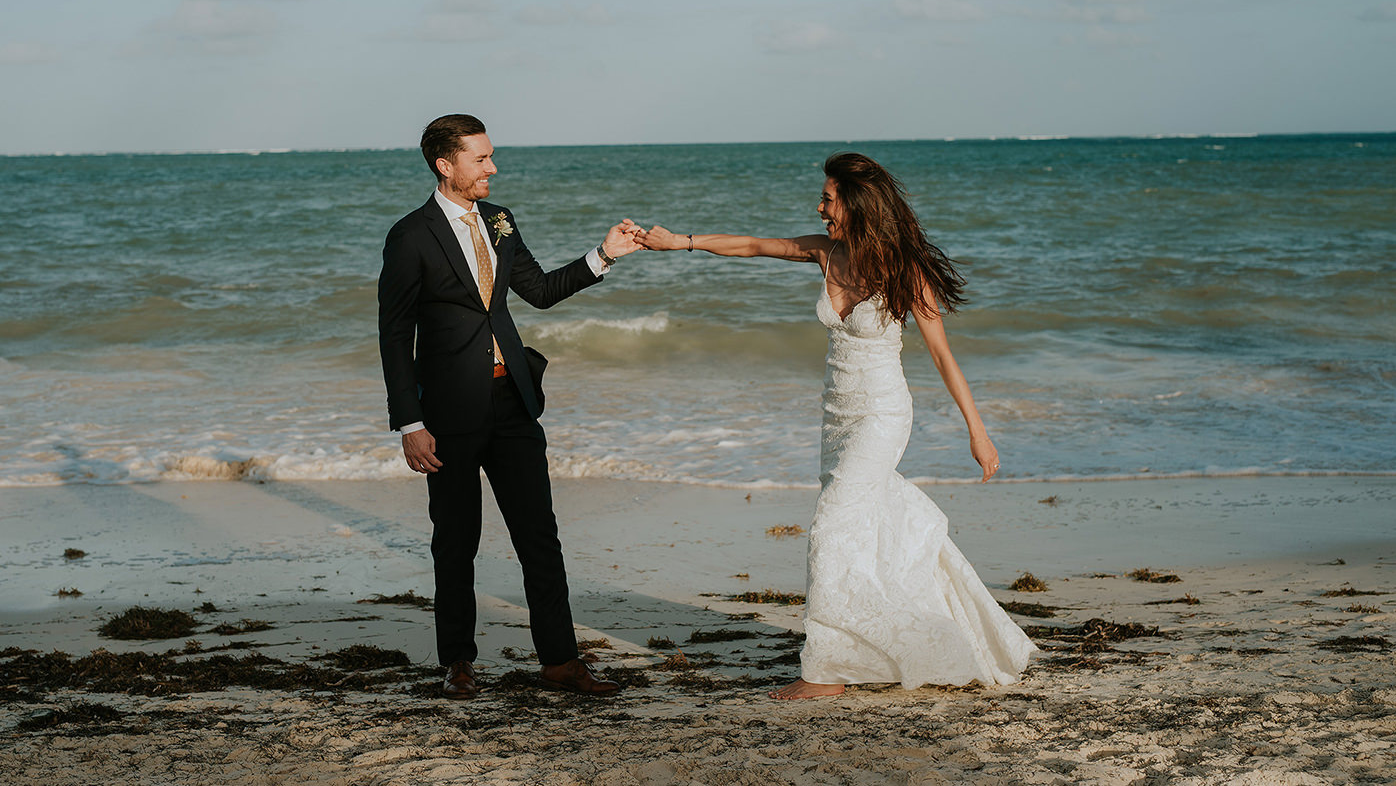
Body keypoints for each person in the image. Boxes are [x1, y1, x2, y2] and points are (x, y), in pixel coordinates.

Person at [635, 151, 1034, 699]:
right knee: (868, 526)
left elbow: (943, 355)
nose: (819, 206)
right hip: (836, 415)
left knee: (831, 527)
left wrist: (978, 430)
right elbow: (754, 245)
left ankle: (824, 672)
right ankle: (927, 630)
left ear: (855, 204)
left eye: (827, 197)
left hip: (882, 412)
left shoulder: (905, 269)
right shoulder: (825, 253)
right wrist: (681, 242)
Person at [378, 114, 643, 699]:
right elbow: (394, 335)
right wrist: (411, 422)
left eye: (491, 156)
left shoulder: (501, 220)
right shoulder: (410, 235)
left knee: (539, 538)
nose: (492, 168)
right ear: (446, 165)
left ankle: (560, 662)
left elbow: (540, 291)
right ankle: (458, 664)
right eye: (481, 159)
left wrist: (605, 254)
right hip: (446, 415)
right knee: (455, 542)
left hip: (514, 402)